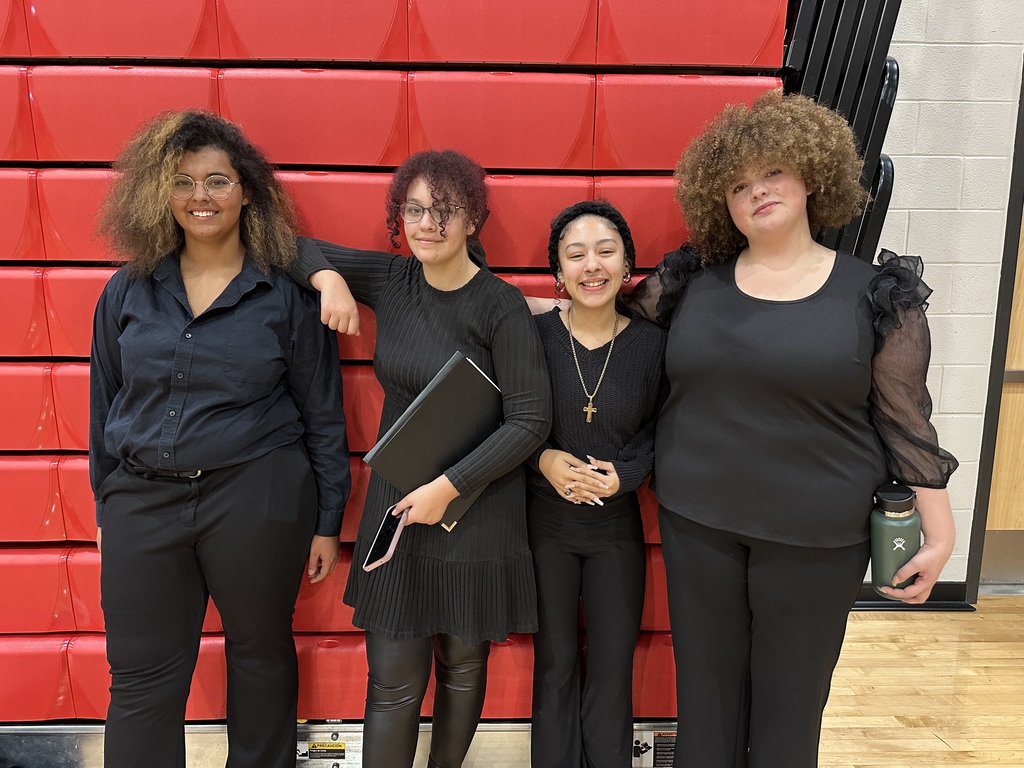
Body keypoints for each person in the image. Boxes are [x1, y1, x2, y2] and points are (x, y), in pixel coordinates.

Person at [623, 90, 959, 767]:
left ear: (811, 175)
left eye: (772, 172)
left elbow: (906, 419)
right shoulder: (689, 283)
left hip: (817, 537)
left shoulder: (876, 294)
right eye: (740, 184)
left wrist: (941, 533)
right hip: (698, 522)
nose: (758, 192)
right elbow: (603, 322)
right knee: (707, 707)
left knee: (790, 711)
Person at [90, 110, 350, 768]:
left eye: (217, 181)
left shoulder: (286, 296)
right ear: (159, 194)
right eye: (183, 182)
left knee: (260, 658)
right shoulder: (126, 290)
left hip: (256, 495)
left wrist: (327, 520)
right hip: (141, 503)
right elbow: (106, 402)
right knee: (141, 679)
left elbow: (322, 409)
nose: (200, 197)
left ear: (246, 192)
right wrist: (106, 503)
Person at [291, 148, 552, 768]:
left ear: (473, 221)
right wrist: (327, 279)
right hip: (398, 502)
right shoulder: (392, 279)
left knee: (462, 666)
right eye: (415, 210)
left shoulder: (501, 305)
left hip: (476, 508)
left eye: (445, 211)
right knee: (392, 680)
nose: (428, 224)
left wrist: (451, 486)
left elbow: (530, 420)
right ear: (398, 217)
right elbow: (290, 245)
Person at [527, 201, 666, 768]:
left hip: (616, 528)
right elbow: (504, 416)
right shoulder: (532, 335)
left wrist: (625, 475)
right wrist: (545, 460)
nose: (592, 266)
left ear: (627, 266)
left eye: (606, 252)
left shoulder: (653, 345)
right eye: (575, 254)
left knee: (612, 670)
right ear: (557, 272)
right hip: (544, 526)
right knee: (555, 666)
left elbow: (666, 426)